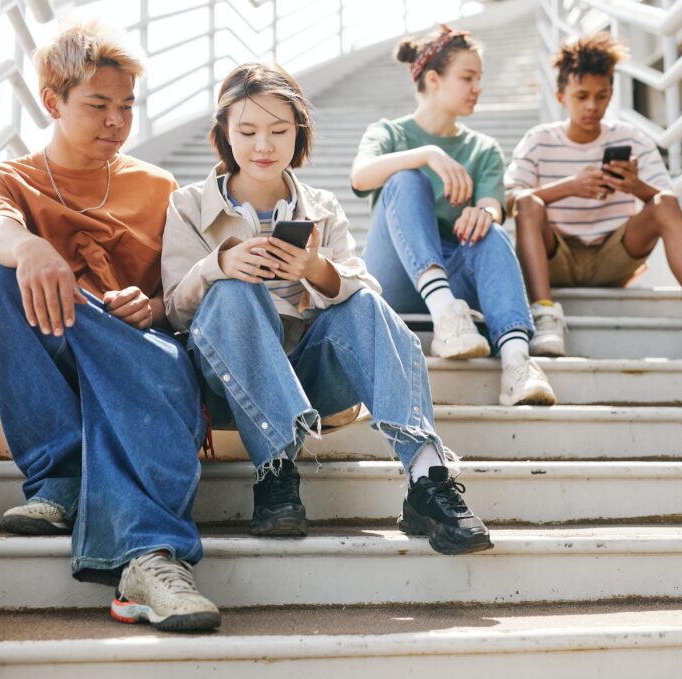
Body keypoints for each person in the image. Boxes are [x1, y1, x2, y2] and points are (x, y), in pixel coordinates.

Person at [161, 63, 493, 556]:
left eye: (279, 130)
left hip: (313, 376)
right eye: (247, 131)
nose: (263, 146)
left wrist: (315, 269)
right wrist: (220, 265)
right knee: (232, 291)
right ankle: (276, 472)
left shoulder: (321, 205)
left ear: (299, 132)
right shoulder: (187, 205)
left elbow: (363, 293)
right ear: (224, 134)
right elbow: (174, 313)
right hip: (228, 378)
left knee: (363, 301)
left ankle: (428, 477)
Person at [0, 20, 219, 631]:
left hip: (141, 360)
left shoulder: (158, 187)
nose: (116, 121)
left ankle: (145, 555)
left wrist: (151, 307)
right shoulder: (8, 180)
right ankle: (71, 483)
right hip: (65, 365)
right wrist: (28, 247)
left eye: (127, 106)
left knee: (127, 349)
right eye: (98, 105)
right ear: (52, 102)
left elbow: (182, 298)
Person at [505, 33, 682, 359]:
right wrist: (570, 187)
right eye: (581, 96)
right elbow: (509, 200)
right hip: (557, 259)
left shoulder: (631, 138)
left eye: (602, 95)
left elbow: (668, 202)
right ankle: (545, 317)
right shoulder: (538, 140)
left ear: (611, 94)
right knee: (528, 203)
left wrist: (636, 186)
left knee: (663, 202)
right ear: (560, 96)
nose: (592, 106)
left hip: (614, 257)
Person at [350, 25, 558, 407]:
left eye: (479, 79)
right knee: (406, 179)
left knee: (491, 232)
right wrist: (427, 154)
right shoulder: (389, 133)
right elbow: (360, 176)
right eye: (467, 78)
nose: (477, 87)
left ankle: (517, 363)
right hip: (396, 274)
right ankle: (445, 314)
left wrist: (485, 211)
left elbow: (495, 204)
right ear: (434, 79)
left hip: (457, 272)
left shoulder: (482, 148)